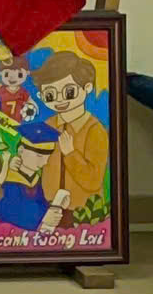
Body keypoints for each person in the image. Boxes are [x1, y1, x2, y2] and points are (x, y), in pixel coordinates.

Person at [36, 51, 110, 214]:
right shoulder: (48, 125)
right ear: (41, 96)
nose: (60, 100)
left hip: (83, 211)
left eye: (69, 92)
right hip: (48, 207)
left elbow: (93, 181)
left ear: (87, 88)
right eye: (50, 95)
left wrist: (70, 154)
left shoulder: (94, 130)